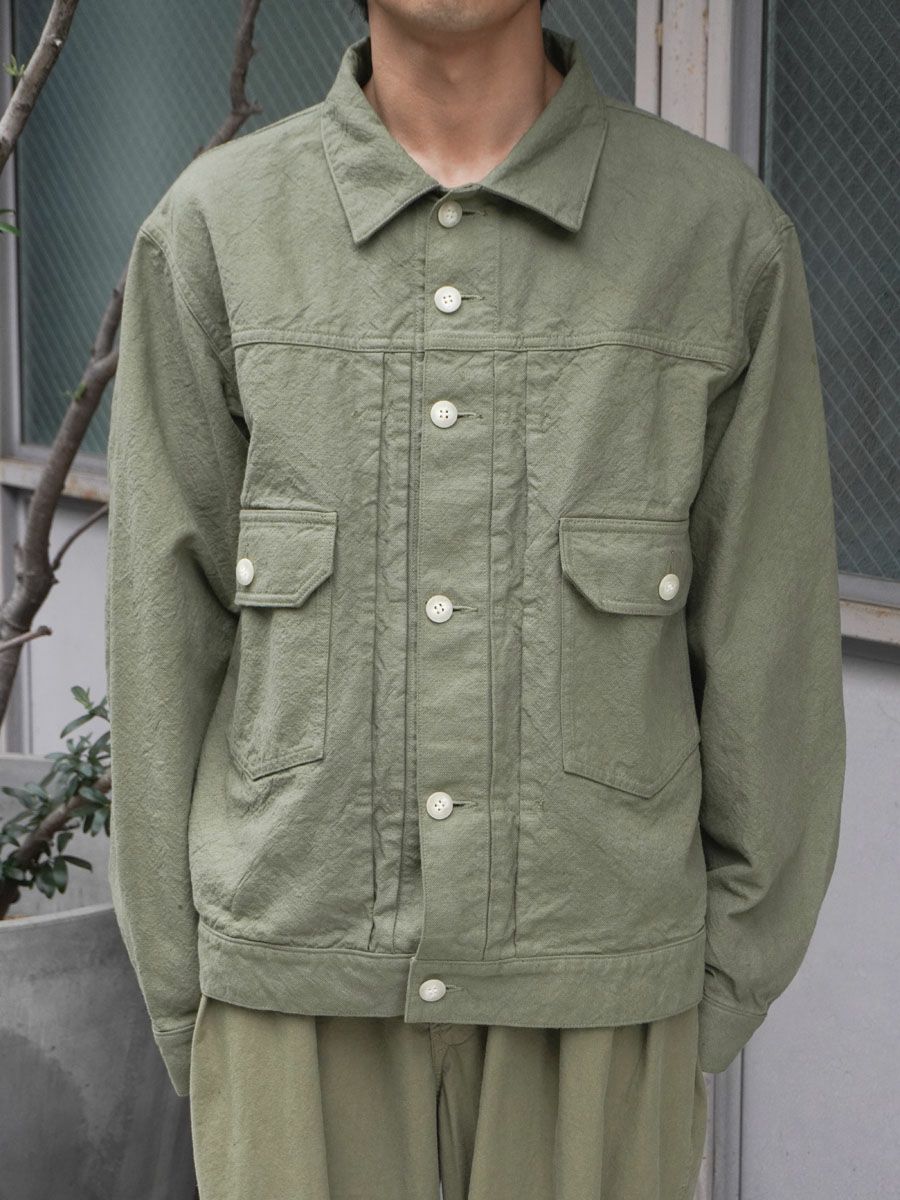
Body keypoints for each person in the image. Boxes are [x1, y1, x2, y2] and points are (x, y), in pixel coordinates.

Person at [104, 1, 847, 1197]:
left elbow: (775, 647)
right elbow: (159, 639)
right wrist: (192, 990)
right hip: (292, 990)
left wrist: (716, 990)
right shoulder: (217, 231)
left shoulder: (715, 238)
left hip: (600, 1004)